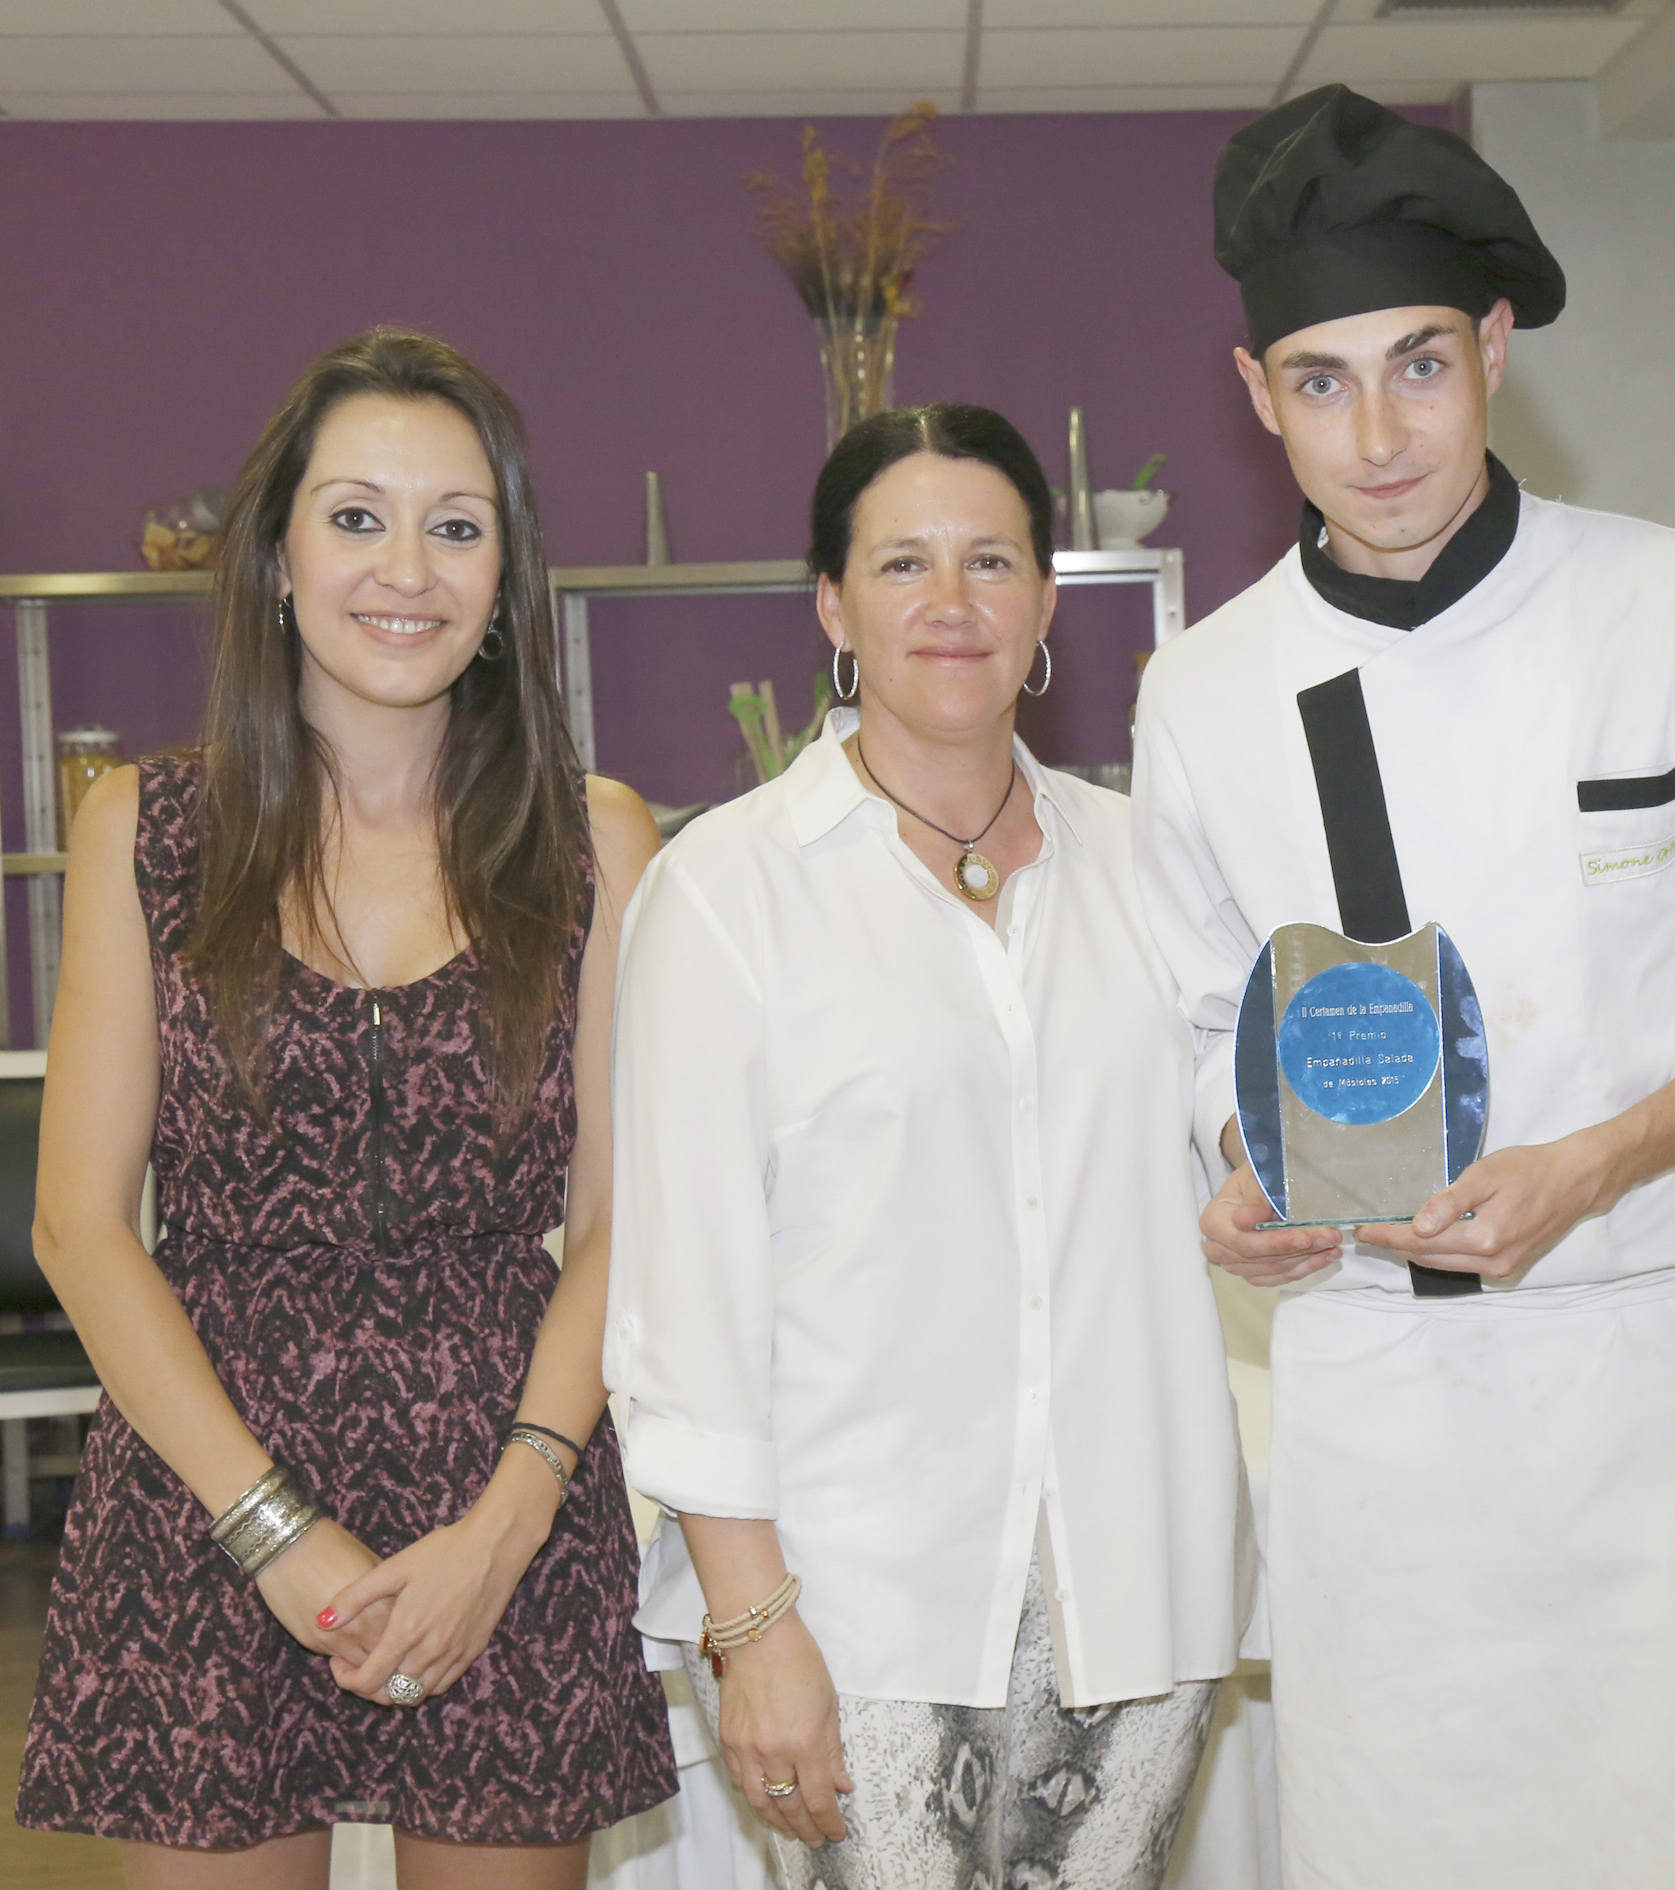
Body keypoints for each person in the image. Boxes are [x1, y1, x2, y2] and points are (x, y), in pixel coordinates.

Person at [1131, 85, 1675, 1889]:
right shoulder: (1205, 692)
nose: (1378, 432)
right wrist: (1243, 1167)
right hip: (1374, 1398)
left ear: (1495, 351)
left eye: (1419, 365)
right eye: (1320, 381)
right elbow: (1199, 1016)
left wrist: (1595, 1161)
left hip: (1646, 1375)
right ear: (1256, 396)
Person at [19, 328, 676, 1886]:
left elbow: (619, 1220)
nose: (407, 569)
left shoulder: (597, 842)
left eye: (457, 526)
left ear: (507, 578)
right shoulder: (146, 831)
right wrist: (274, 1530)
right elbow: (80, 1226)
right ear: (278, 555)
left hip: (506, 1495)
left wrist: (506, 1527)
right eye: (358, 515)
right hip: (205, 1486)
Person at [604, 403, 1246, 1890]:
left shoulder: (1144, 866)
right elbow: (685, 1297)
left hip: (1132, 1582)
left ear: (1045, 604)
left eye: (991, 561)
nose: (951, 602)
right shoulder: (727, 890)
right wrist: (749, 1624)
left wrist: (1270, 1182)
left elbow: (1227, 1123)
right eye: (903, 563)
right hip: (854, 1609)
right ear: (833, 604)